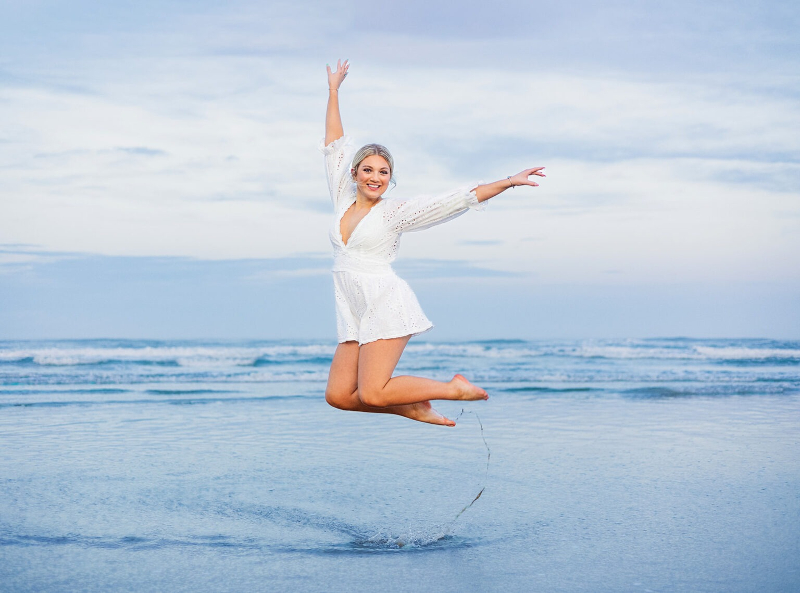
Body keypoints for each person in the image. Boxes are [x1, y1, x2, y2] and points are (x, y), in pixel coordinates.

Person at [322, 59, 545, 426]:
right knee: (339, 397)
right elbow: (333, 146)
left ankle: (452, 388)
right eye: (368, 169)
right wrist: (333, 91)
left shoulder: (395, 213)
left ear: (389, 179)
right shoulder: (341, 198)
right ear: (355, 174)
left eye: (383, 172)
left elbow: (453, 200)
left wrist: (507, 181)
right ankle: (411, 406)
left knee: (373, 392)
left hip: (383, 301)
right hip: (351, 306)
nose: (375, 177)